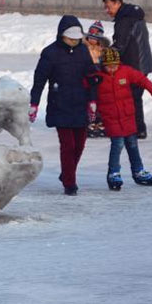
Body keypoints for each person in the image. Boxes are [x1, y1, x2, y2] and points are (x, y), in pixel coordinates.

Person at [29, 15, 96, 196]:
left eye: (77, 39)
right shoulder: (50, 53)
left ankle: (67, 173)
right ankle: (70, 183)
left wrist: (92, 100)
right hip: (60, 104)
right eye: (71, 39)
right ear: (62, 36)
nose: (74, 42)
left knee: (80, 145)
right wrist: (34, 103)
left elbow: (91, 77)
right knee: (68, 145)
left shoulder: (83, 51)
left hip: (80, 103)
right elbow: (39, 80)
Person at [93, 47, 152, 190]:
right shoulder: (98, 77)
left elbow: (143, 80)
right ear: (103, 65)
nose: (111, 69)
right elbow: (86, 92)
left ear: (118, 63)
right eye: (108, 66)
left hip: (128, 117)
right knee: (118, 145)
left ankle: (138, 171)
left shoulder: (125, 72)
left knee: (133, 145)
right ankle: (113, 173)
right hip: (111, 118)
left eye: (114, 65)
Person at [102, 0, 152, 139]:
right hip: (142, 63)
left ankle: (136, 129)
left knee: (131, 97)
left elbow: (120, 45)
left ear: (118, 3)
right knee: (134, 97)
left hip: (135, 64)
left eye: (108, 6)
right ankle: (138, 128)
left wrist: (105, 57)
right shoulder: (134, 16)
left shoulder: (124, 20)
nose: (107, 11)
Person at [85, 20, 111, 138]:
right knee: (90, 101)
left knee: (101, 100)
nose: (92, 40)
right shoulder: (84, 48)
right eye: (90, 37)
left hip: (100, 77)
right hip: (88, 77)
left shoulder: (103, 50)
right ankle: (90, 122)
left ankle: (99, 122)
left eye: (94, 38)